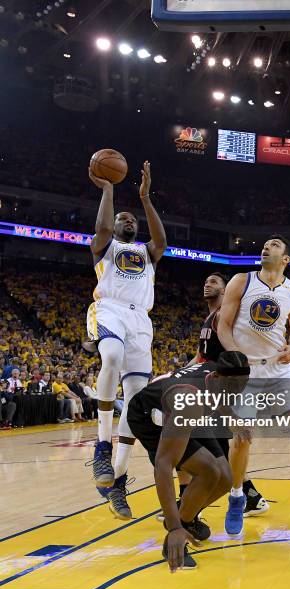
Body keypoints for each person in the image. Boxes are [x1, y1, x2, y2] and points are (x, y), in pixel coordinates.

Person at [218, 235, 290, 536]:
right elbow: (223, 324)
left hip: (280, 371)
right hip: (248, 373)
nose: (266, 246)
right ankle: (237, 497)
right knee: (242, 438)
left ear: (286, 259)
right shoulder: (241, 281)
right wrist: (234, 353)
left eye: (274, 245)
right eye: (265, 243)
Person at [86, 160, 166, 520]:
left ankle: (116, 482)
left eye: (132, 220)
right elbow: (103, 225)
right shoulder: (105, 247)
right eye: (123, 219)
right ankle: (102, 444)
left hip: (141, 320)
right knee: (112, 356)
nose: (128, 221)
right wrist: (108, 191)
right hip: (110, 309)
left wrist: (146, 198)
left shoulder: (147, 254)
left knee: (135, 401)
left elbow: (161, 240)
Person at [127, 351, 250, 571]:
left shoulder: (221, 373)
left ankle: (187, 519)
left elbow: (221, 396)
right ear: (217, 378)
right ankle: (175, 535)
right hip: (149, 416)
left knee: (226, 477)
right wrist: (174, 527)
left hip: (187, 410)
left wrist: (233, 419)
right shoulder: (190, 400)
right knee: (209, 472)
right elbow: (163, 465)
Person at [177, 272, 269, 518]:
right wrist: (176, 375)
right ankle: (249, 496)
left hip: (219, 388)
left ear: (226, 289)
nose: (207, 284)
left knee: (200, 445)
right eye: (206, 281)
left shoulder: (229, 317)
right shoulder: (209, 318)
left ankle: (188, 500)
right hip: (205, 385)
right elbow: (199, 357)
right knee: (209, 445)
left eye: (214, 282)